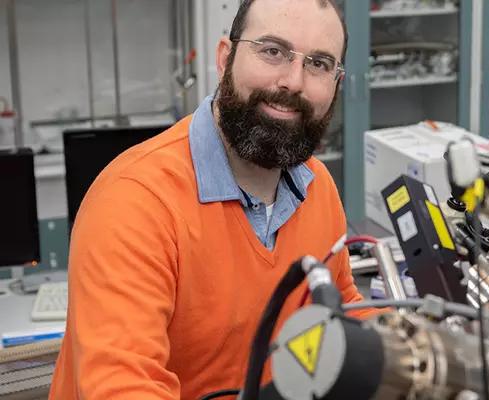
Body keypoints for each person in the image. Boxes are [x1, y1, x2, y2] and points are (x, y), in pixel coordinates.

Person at [49, 1, 372, 398]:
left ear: (337, 83)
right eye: (273, 51)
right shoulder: (134, 202)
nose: (293, 81)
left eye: (319, 64)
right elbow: (125, 387)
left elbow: (341, 305)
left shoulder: (317, 187)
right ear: (225, 59)